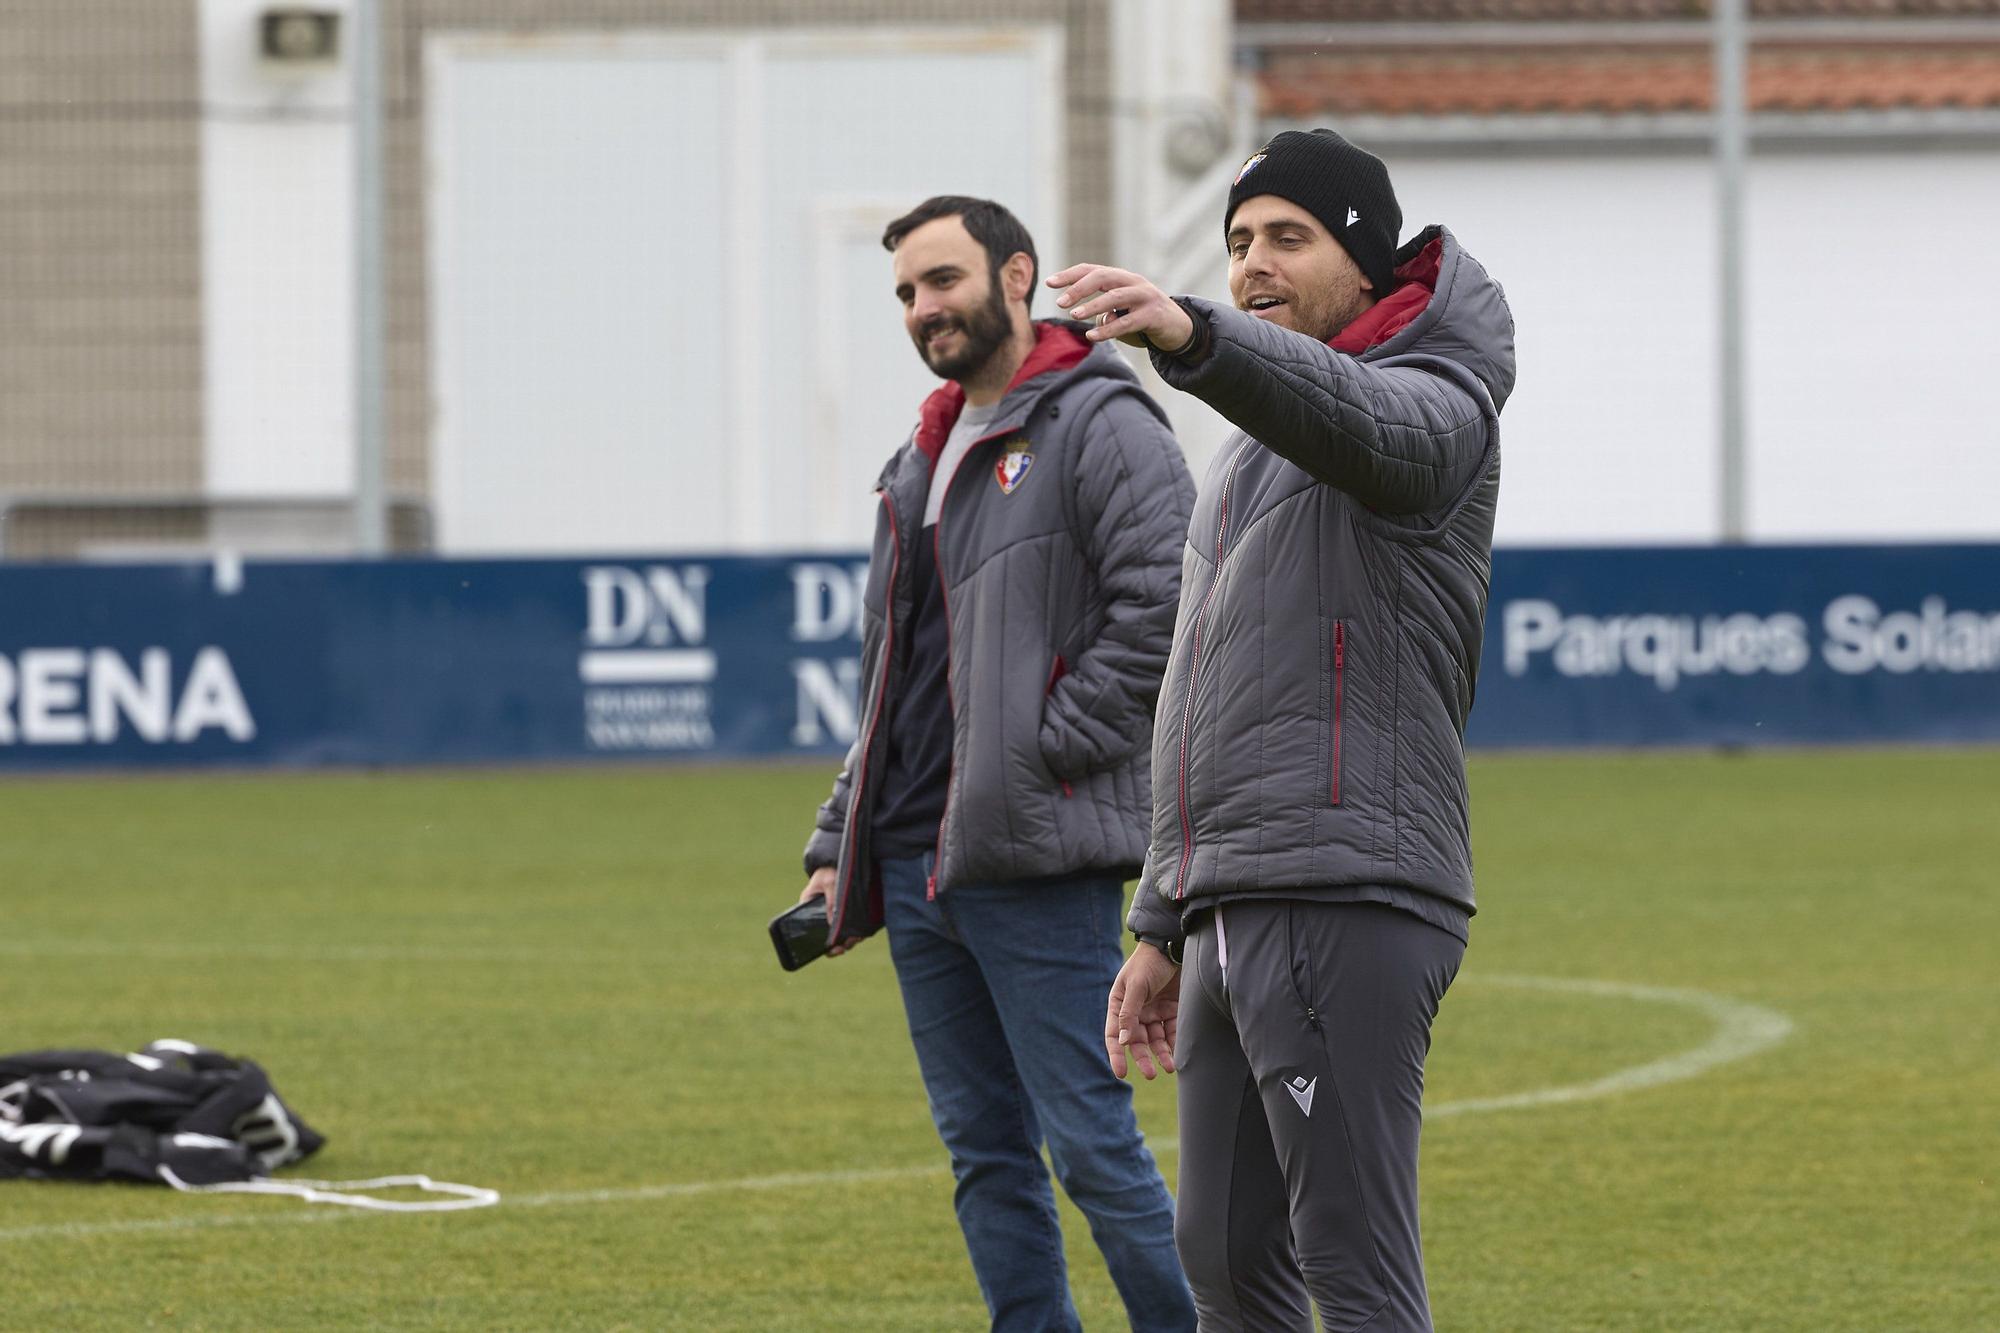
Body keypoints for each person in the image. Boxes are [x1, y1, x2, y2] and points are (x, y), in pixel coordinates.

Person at [1051, 130, 1516, 1331]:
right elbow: (1198, 697)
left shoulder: (1436, 403)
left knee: (1348, 1269)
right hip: (1231, 899)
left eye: (1287, 238)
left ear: (1365, 264)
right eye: (1238, 241)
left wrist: (1197, 335)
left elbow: (1367, 421)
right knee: (1219, 1257)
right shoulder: (1252, 457)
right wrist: (1161, 915)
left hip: (1341, 885)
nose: (1252, 262)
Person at [797, 195, 1198, 1333]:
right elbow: (891, 685)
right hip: (920, 867)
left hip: (1035, 856)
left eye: (942, 281)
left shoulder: (1101, 422)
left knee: (1087, 1146)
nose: (925, 309)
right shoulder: (914, 460)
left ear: (1014, 276)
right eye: (907, 294)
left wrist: (1044, 752)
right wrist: (838, 847)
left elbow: (1166, 606)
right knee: (984, 1156)